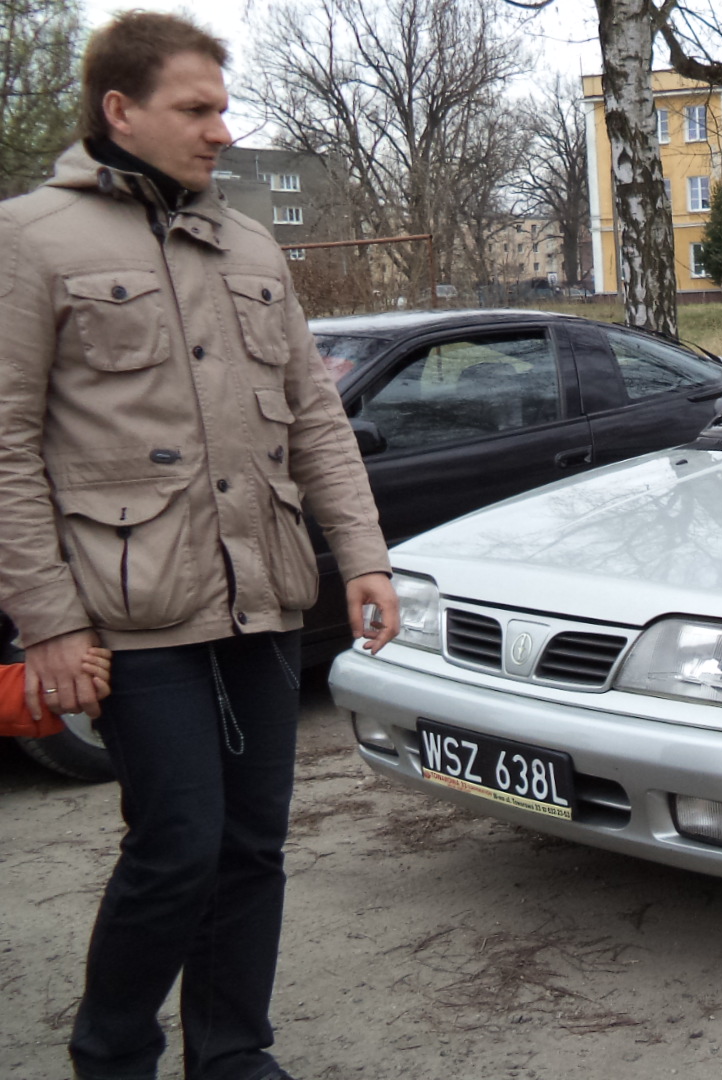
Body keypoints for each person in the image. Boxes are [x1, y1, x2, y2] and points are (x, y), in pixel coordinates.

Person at [0, 13, 399, 1080]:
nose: (222, 130)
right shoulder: (32, 238)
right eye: (197, 108)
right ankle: (114, 1051)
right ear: (119, 111)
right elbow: (5, 445)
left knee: (253, 842)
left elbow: (314, 416)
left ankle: (231, 1052)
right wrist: (48, 624)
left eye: (224, 108)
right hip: (130, 607)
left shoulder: (252, 243)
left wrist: (362, 556)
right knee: (176, 845)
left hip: (261, 588)